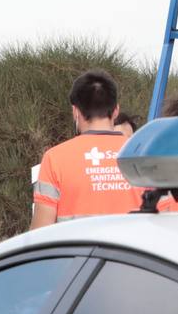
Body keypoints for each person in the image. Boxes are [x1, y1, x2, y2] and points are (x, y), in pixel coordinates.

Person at [30, 70, 142, 229]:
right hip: (133, 253)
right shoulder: (144, 155)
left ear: (75, 111)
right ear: (116, 110)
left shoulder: (55, 158)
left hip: (77, 253)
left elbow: (39, 233)